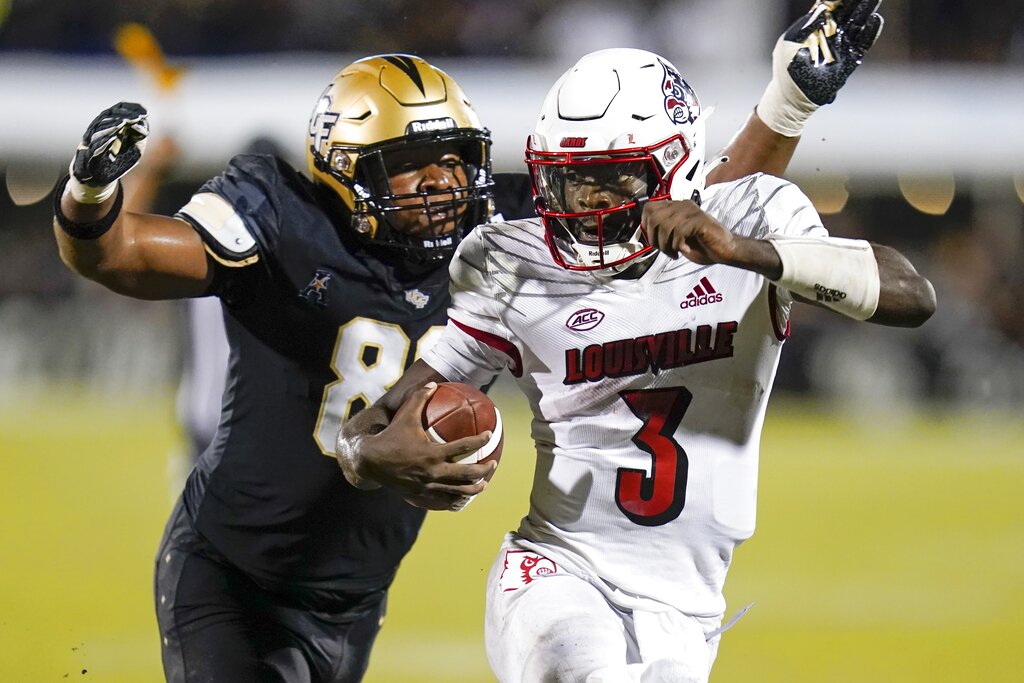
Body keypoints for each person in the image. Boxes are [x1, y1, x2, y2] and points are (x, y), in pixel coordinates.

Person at [51, 2, 884, 680]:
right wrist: (89, 199)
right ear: (347, 168)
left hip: (353, 592)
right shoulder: (285, 223)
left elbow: (676, 211)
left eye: (454, 159)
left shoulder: (492, 248)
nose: (444, 184)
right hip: (235, 569)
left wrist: (785, 106)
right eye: (413, 164)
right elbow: (122, 256)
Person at [337, 21, 936, 683]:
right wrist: (365, 455)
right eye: (572, 185)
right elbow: (381, 417)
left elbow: (911, 295)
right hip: (554, 570)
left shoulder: (751, 218)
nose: (588, 209)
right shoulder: (514, 262)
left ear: (675, 168)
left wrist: (747, 253)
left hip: (687, 608)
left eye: (613, 184)